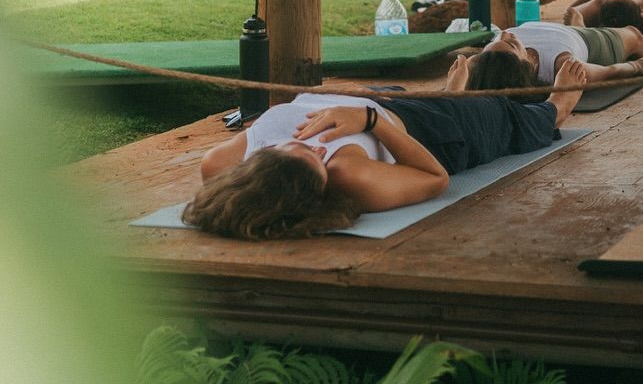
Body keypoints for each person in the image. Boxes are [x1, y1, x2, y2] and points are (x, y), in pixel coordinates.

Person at [182, 60, 588, 240]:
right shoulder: (350, 175)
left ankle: (449, 95)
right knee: (502, 113)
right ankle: (557, 107)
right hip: (422, 133)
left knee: (397, 91)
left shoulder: (219, 164)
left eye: (298, 149)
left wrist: (357, 105)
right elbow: (435, 178)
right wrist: (369, 122)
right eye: (317, 164)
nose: (316, 150)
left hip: (372, 100)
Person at [461, 9, 643, 95]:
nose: (506, 34)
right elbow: (608, 71)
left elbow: (465, 75)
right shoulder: (562, 66)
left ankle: (578, 23)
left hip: (560, 32)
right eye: (510, 44)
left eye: (497, 39)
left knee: (582, 10)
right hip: (589, 43)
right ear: (524, 65)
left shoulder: (487, 63)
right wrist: (638, 66)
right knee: (636, 36)